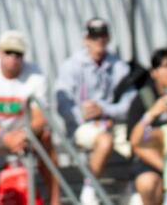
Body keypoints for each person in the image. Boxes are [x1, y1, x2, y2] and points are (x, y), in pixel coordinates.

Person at [0, 30, 58, 205]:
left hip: (23, 134)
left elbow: (40, 118)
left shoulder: (36, 76)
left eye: (18, 54)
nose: (13, 58)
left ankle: (55, 199)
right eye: (8, 52)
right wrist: (6, 137)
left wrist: (23, 135)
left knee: (46, 138)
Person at [54, 17, 135, 205]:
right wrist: (82, 114)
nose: (99, 41)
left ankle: (131, 186)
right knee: (104, 140)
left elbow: (130, 103)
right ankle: (90, 188)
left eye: (103, 37)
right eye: (94, 37)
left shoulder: (118, 66)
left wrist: (104, 109)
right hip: (82, 126)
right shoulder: (71, 65)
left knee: (141, 140)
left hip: (114, 123)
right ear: (86, 39)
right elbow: (62, 104)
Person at [128, 48, 167, 205]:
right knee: (147, 182)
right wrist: (153, 112)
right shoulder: (143, 99)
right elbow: (134, 142)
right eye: (166, 66)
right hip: (155, 160)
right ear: (154, 72)